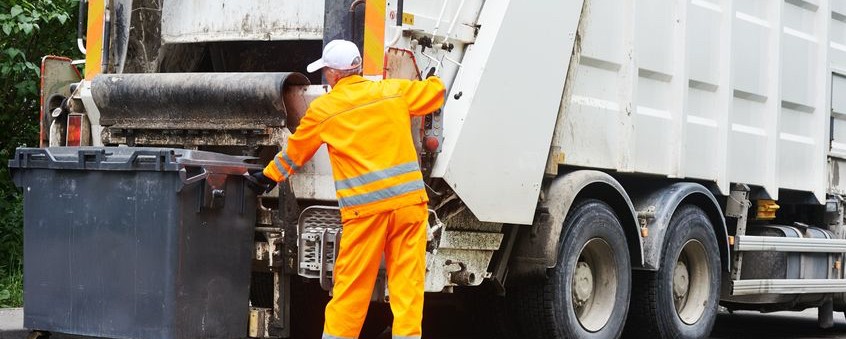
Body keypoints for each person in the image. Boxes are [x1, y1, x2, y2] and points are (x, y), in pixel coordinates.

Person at [248, 39, 445, 339]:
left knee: (352, 289)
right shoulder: (392, 91)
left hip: (366, 214)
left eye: (326, 70)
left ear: (333, 74)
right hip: (409, 208)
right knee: (408, 288)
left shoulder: (325, 110)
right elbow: (435, 94)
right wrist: (433, 76)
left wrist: (266, 177)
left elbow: (295, 153)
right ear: (357, 68)